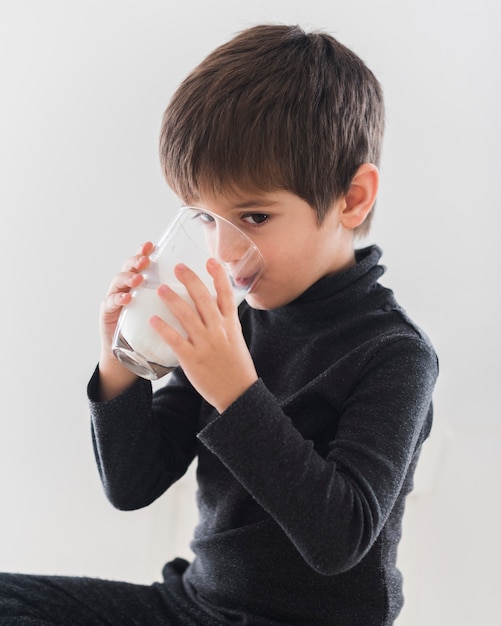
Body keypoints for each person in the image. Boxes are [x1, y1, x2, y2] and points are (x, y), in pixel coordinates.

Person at [0, 23, 438, 625]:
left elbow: (340, 538)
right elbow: (133, 487)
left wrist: (235, 389)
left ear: (352, 198)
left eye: (254, 216)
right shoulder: (236, 321)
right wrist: (123, 362)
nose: (225, 252)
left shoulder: (395, 353)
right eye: (205, 218)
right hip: (197, 608)